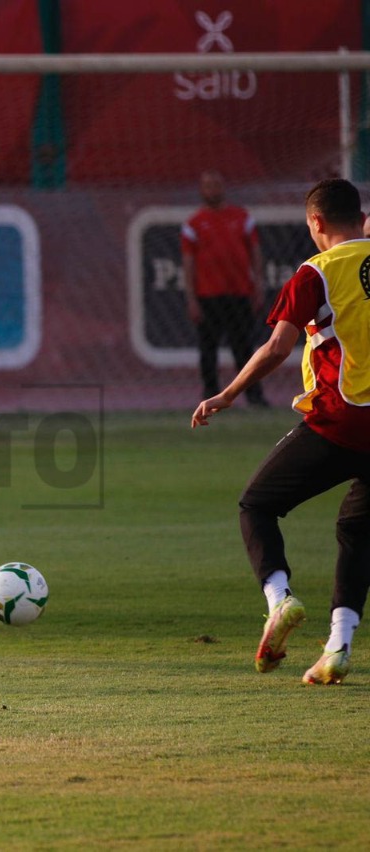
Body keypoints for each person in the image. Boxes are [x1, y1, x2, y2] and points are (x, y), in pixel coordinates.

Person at [192, 178, 370, 685]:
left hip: (340, 422)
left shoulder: (316, 272)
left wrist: (228, 394)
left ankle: (279, 600)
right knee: (357, 532)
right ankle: (338, 646)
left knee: (256, 505)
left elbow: (276, 347)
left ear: (316, 222)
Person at [181, 170, 269, 407]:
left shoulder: (242, 218)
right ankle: (210, 395)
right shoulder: (193, 224)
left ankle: (254, 395)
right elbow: (188, 263)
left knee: (244, 348)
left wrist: (258, 286)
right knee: (208, 349)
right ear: (202, 190)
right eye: (208, 185)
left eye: (216, 185)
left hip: (239, 293)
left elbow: (255, 252)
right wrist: (191, 299)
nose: (212, 190)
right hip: (208, 295)